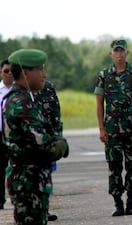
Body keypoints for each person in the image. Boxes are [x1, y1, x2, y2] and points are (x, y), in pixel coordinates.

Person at [3, 48, 69, 225]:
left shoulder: (24, 98)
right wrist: (61, 145)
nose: (44, 74)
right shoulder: (21, 103)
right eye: (40, 69)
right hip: (28, 183)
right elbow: (42, 142)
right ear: (25, 73)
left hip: (32, 181)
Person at [94, 39, 132, 217]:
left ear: (127, 53)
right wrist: (101, 129)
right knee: (114, 166)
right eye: (116, 51)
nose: (119, 54)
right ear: (111, 54)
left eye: (121, 51)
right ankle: (118, 204)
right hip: (112, 129)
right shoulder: (104, 75)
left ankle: (131, 203)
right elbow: (100, 104)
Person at [33, 80, 64, 221]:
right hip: (29, 142)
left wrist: (58, 137)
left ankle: (44, 209)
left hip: (47, 139)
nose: (42, 74)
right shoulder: (19, 91)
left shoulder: (48, 87)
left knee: (46, 175)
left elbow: (56, 113)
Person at [0, 59, 13, 210]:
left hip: (15, 135)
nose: (9, 74)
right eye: (6, 71)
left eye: (11, 71)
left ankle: (17, 198)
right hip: (0, 133)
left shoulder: (21, 90)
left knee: (16, 167)